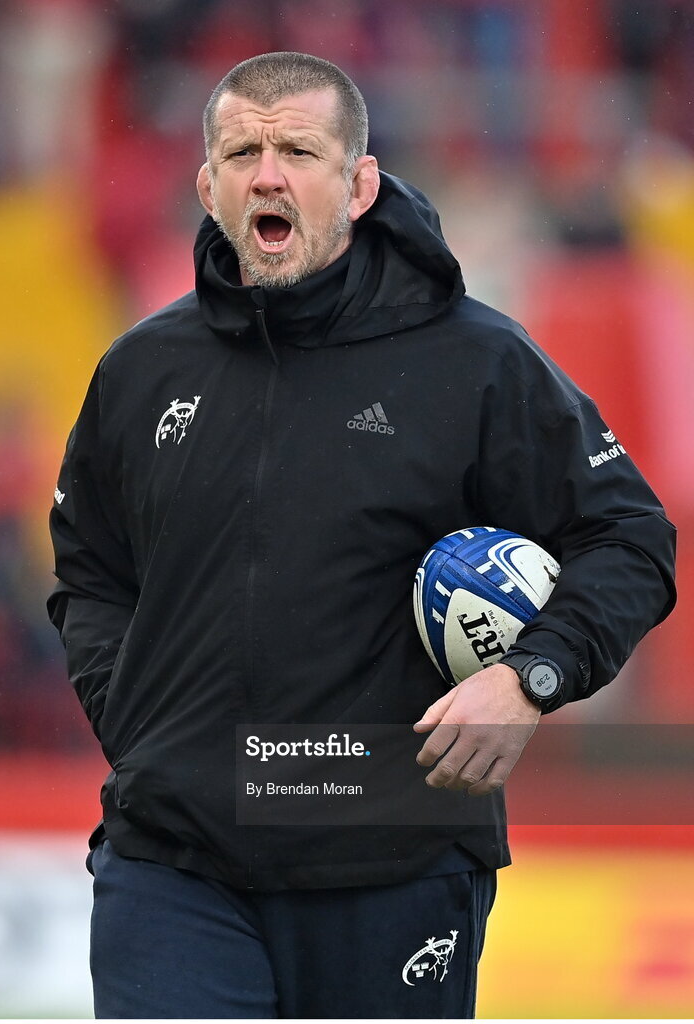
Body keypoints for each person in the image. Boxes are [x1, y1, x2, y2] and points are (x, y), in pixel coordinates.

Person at [48, 51, 676, 1019]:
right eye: (242, 151)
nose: (268, 173)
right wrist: (136, 724)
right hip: (173, 859)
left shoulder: (478, 363)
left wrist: (530, 678)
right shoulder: (140, 371)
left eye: (298, 150)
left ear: (360, 182)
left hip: (395, 855)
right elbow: (90, 569)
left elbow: (630, 537)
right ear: (207, 184)